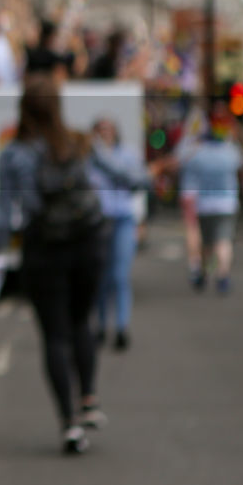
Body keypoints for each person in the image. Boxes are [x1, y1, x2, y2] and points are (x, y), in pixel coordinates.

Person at [0, 75, 106, 455]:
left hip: (43, 248)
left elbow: (4, 216)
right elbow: (121, 176)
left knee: (54, 336)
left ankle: (68, 424)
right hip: (87, 244)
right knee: (82, 321)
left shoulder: (13, 154)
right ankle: (89, 399)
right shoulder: (79, 142)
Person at [88, 118, 154, 351]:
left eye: (109, 129)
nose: (105, 133)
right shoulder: (89, 158)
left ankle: (121, 328)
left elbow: (140, 180)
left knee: (120, 276)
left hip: (124, 220)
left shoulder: (128, 154)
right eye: (100, 130)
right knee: (102, 278)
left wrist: (106, 159)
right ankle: (101, 326)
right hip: (99, 222)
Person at [180, 103, 243, 294]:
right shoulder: (231, 151)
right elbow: (242, 164)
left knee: (207, 243)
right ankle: (223, 274)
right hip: (227, 203)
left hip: (206, 204)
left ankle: (206, 272)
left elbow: (185, 163)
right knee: (224, 240)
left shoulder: (199, 152)